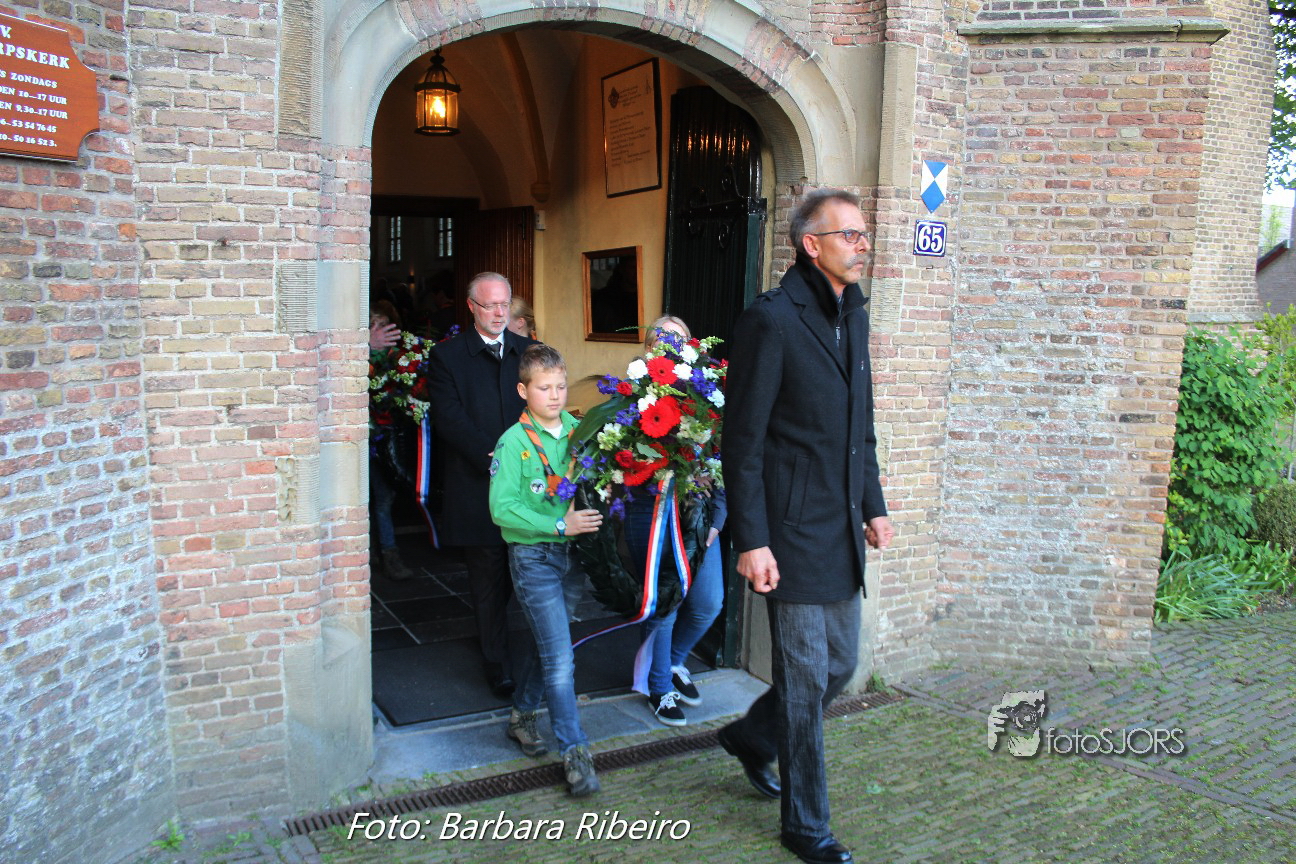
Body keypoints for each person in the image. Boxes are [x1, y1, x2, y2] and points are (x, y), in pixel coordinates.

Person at [718, 189, 894, 864]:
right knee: (803, 681)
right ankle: (806, 825)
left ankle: (751, 737)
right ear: (810, 244)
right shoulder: (771, 320)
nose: (862, 244)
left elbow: (860, 427)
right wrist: (753, 539)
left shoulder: (854, 314)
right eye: (849, 234)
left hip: (840, 525)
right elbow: (743, 443)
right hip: (788, 533)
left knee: (839, 665)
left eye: (864, 233)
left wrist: (873, 504)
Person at [489, 343, 604, 796]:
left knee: (551, 646)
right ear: (523, 391)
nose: (554, 396)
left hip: (572, 558)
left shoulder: (581, 431)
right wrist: (559, 524)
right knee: (560, 658)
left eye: (560, 386)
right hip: (533, 558)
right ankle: (576, 753)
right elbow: (502, 509)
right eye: (544, 388)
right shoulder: (513, 442)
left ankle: (521, 715)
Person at [426, 272, 540, 699]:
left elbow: (545, 404)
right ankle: (497, 663)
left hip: (527, 483)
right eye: (490, 305)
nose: (498, 313)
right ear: (472, 307)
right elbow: (449, 416)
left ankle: (518, 646)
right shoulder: (447, 356)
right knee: (487, 573)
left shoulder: (530, 352)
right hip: (478, 484)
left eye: (504, 304)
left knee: (521, 568)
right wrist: (494, 458)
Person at [625, 316, 727, 726]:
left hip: (699, 518)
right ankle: (658, 686)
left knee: (708, 602)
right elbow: (623, 461)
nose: (670, 345)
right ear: (649, 348)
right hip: (652, 515)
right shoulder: (632, 398)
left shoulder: (709, 399)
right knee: (664, 605)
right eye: (661, 339)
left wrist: (717, 520)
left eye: (679, 339)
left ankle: (673, 662)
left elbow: (724, 463)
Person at [368, 301, 413, 581]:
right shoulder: (357, 356)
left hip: (390, 435)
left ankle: (385, 552)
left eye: (383, 325)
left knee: (385, 496)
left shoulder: (402, 360)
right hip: (363, 436)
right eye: (371, 325)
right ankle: (375, 552)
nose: (378, 331)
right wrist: (367, 349)